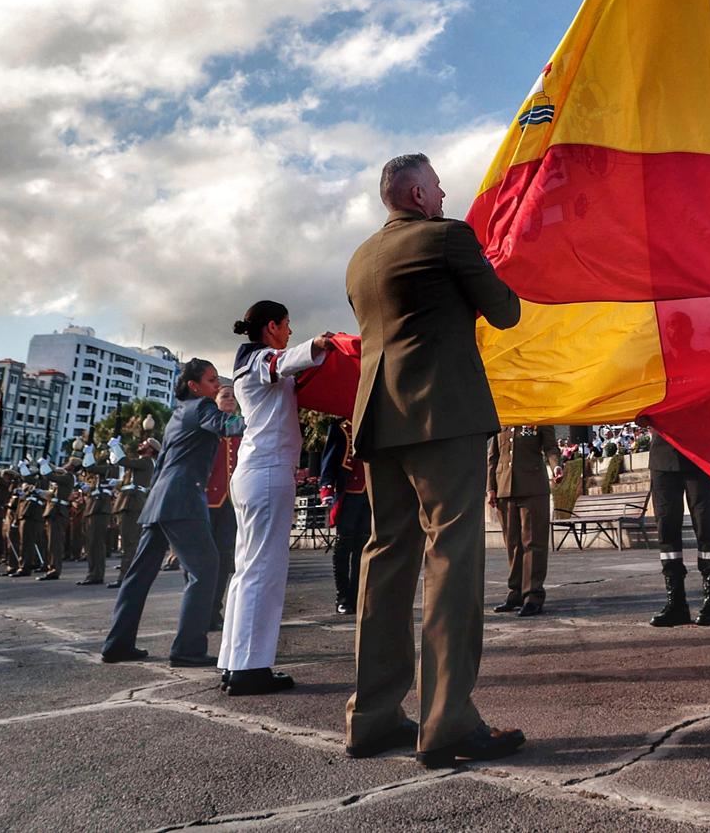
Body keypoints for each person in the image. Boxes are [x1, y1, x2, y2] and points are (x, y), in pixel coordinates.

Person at [344, 152, 525, 766]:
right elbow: (503, 310)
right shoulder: (449, 238)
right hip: (442, 416)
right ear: (418, 193)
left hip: (378, 420)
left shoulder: (360, 259)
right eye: (439, 185)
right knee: (452, 556)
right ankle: (448, 721)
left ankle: (371, 716)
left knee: (386, 560)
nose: (446, 193)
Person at [221, 301, 341, 696]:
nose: (290, 331)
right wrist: (319, 344)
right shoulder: (259, 360)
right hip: (267, 473)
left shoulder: (251, 362)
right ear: (271, 326)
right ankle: (251, 668)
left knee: (246, 571)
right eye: (287, 324)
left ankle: (235, 662)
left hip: (258, 473)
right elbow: (281, 363)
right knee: (263, 572)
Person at [101, 358, 244, 670]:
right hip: (183, 501)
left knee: (138, 576)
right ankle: (188, 649)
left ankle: (117, 644)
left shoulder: (179, 414)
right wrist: (235, 409)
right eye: (211, 380)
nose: (217, 385)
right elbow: (232, 428)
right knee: (205, 570)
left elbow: (163, 462)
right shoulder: (203, 408)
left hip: (159, 501)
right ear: (194, 386)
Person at [646, 432, 710, 626]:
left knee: (704, 523)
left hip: (698, 451)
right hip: (663, 453)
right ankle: (676, 604)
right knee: (666, 527)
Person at [488, 425, 557, 617]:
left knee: (533, 543)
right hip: (504, 488)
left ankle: (533, 595)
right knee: (513, 544)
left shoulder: (538, 415)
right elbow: (493, 456)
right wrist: (491, 487)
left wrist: (556, 466)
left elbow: (550, 447)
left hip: (533, 487)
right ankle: (516, 593)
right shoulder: (503, 417)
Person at [317, 416, 368, 615]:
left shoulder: (376, 421)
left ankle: (357, 596)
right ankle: (343, 597)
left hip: (369, 495)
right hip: (348, 495)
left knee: (363, 549)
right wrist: (326, 490)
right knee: (344, 546)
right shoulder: (340, 427)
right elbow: (328, 461)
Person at [109, 440, 156, 587]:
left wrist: (116, 446)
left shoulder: (147, 462)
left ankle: (126, 578)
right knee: (128, 543)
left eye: (144, 444)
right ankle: (127, 576)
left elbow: (123, 460)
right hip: (128, 504)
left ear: (151, 450)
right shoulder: (141, 463)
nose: (140, 445)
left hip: (133, 504)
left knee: (130, 543)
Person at [205, 427, 239, 627]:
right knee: (203, 559)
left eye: (231, 396)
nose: (229, 399)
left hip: (230, 502)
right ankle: (200, 609)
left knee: (224, 557)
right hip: (206, 500)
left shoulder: (238, 428)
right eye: (224, 395)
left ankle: (214, 609)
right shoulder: (206, 424)